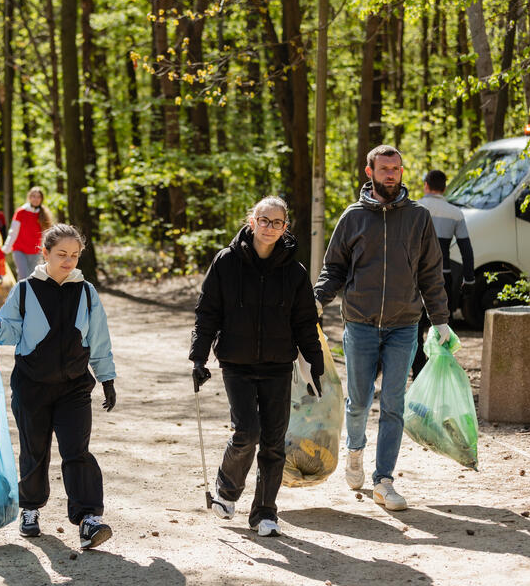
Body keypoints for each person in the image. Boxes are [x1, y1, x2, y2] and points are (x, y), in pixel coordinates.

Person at [314, 145, 449, 511]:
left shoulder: (419, 217)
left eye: (396, 168)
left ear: (403, 172)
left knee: (393, 403)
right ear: (369, 171)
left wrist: (441, 322)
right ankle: (354, 451)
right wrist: (317, 299)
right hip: (359, 323)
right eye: (384, 168)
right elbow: (334, 269)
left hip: (404, 326)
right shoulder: (352, 218)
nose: (391, 174)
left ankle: (384, 480)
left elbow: (430, 273)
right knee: (358, 402)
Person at [0, 224, 117, 549]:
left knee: (76, 451)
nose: (68, 261)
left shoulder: (87, 292)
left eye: (75, 255)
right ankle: (30, 510)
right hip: (32, 386)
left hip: (74, 387)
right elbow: (9, 331)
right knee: (34, 450)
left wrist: (106, 378)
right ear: (45, 253)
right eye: (62, 255)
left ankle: (89, 519)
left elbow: (99, 339)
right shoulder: (24, 290)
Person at [189, 197, 323, 537]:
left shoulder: (295, 271)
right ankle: (227, 489)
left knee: (274, 442)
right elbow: (207, 312)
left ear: (285, 227)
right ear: (252, 221)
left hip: (278, 365)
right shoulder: (226, 262)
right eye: (264, 220)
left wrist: (315, 364)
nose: (270, 228)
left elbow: (306, 322)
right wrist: (198, 357)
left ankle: (264, 512)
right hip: (237, 362)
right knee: (247, 432)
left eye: (277, 223)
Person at [411, 169, 475, 377]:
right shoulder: (455, 213)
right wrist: (469, 279)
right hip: (443, 276)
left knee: (415, 328)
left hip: (415, 278)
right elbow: (466, 249)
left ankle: (419, 372)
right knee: (441, 327)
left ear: (426, 185)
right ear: (445, 188)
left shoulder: (414, 208)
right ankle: (440, 373)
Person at [3, 186, 54, 280]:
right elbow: (13, 231)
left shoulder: (43, 214)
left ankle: (30, 295)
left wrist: (47, 250)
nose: (36, 199)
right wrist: (6, 249)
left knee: (34, 277)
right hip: (19, 249)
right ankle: (20, 294)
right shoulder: (20, 212)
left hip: (35, 251)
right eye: (33, 196)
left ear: (41, 199)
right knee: (23, 276)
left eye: (38, 197)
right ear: (29, 197)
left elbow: (45, 235)